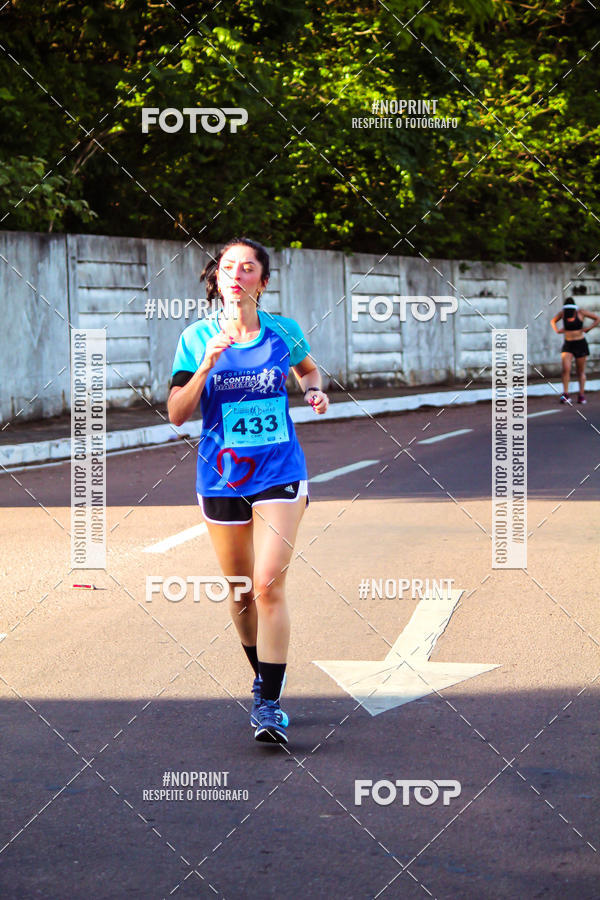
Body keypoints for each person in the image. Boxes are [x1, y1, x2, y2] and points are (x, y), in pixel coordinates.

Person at [167, 237, 329, 744]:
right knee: (240, 592)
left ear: (263, 278)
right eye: (228, 266)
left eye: (249, 266)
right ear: (216, 278)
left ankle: (270, 703)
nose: (237, 273)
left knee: (267, 584)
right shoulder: (195, 338)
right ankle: (262, 676)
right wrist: (206, 367)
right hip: (220, 476)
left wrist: (313, 388)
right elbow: (176, 414)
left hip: (280, 470)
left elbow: (307, 368)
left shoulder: (284, 330)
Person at [550, 298, 599, 404]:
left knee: (580, 371)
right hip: (568, 344)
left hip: (580, 344)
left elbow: (597, 318)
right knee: (565, 369)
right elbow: (553, 321)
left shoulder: (580, 312)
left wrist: (588, 329)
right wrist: (558, 330)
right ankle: (565, 394)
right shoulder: (563, 314)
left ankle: (581, 395)